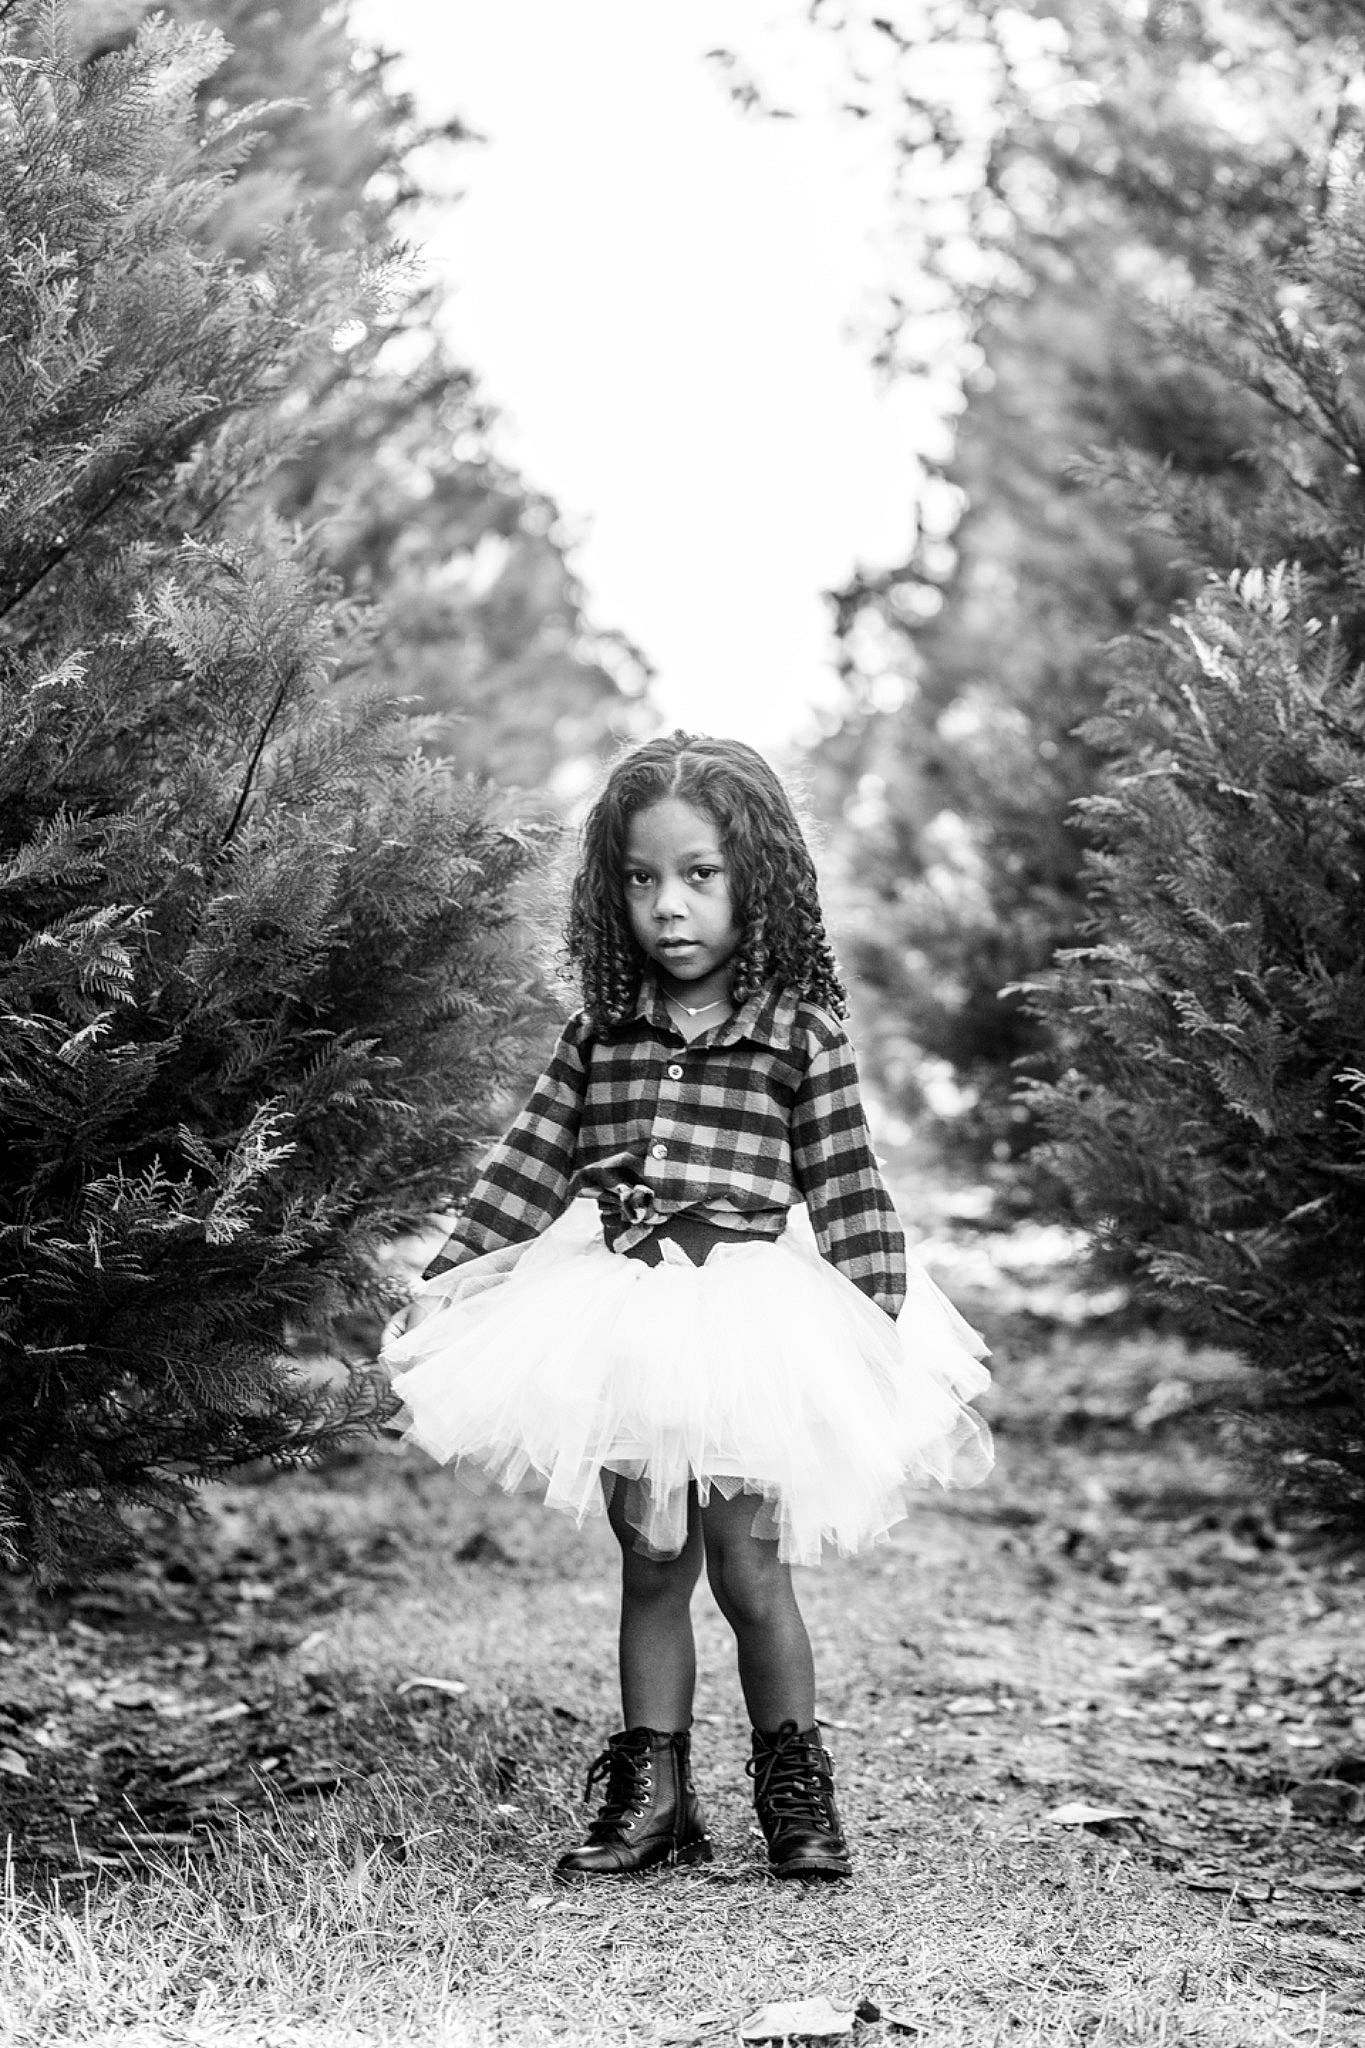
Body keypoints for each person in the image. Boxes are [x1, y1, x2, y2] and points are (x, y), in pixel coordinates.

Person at [382, 731, 992, 1884]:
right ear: (614, 889)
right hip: (628, 1320)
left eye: (700, 874)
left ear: (755, 880)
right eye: (644, 876)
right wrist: (443, 1285)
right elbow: (522, 1173)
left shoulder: (798, 1035)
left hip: (752, 1323)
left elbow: (852, 1188)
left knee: (750, 1566)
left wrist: (879, 1331)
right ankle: (652, 1790)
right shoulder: (597, 1035)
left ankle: (794, 1783)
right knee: (651, 1556)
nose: (671, 906)